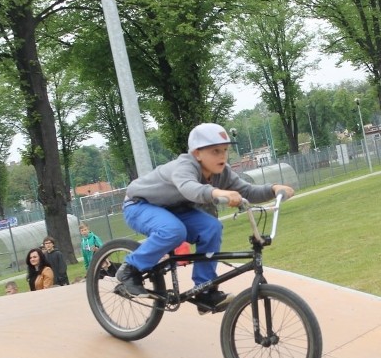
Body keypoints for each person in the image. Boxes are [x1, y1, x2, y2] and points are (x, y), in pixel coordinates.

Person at [116, 122, 294, 314]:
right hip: (140, 205)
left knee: (212, 227)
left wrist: (274, 188)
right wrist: (216, 192)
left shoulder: (222, 173)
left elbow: (246, 191)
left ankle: (204, 290)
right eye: (215, 151)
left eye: (224, 150)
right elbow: (189, 188)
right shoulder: (184, 166)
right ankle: (129, 269)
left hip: (174, 209)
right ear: (197, 153)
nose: (222, 156)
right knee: (173, 231)